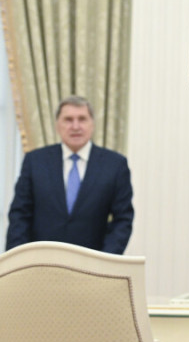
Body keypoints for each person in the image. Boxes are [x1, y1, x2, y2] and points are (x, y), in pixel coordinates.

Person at [5, 95, 133, 254]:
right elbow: (19, 215)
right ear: (57, 125)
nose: (75, 126)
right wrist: (18, 259)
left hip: (92, 261)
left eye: (82, 119)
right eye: (68, 119)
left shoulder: (115, 165)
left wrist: (106, 259)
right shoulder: (35, 161)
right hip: (41, 260)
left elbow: (123, 219)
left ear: (92, 124)